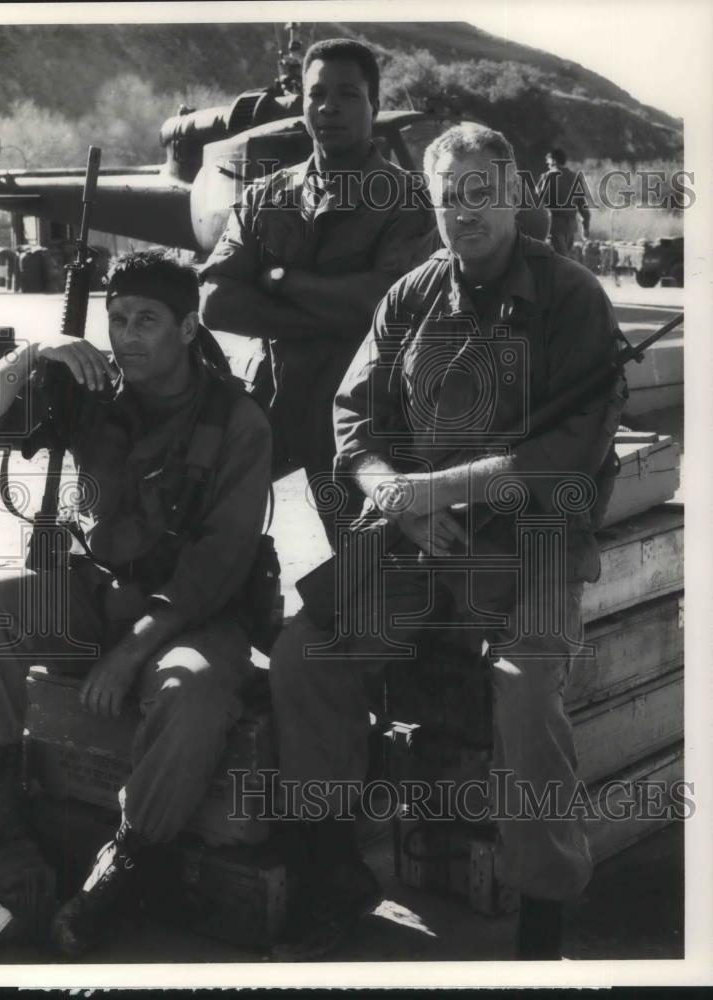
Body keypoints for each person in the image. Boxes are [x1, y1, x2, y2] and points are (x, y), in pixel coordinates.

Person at [269, 123, 627, 961]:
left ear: (510, 196)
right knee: (305, 646)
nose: (463, 213)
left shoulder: (572, 297)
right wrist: (392, 495)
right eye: (446, 199)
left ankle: (542, 909)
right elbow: (353, 421)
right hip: (417, 533)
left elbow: (569, 453)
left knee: (526, 682)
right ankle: (331, 865)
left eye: (478, 193)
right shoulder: (410, 296)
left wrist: (441, 489)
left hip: (530, 539)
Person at [0, 249, 271, 956]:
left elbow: (217, 564)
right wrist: (36, 352)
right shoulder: (90, 389)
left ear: (190, 326)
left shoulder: (237, 421)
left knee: (192, 691)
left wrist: (131, 651)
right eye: (116, 319)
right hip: (98, 588)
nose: (128, 335)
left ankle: (131, 855)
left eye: (147, 320)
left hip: (195, 612)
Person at [199, 37, 436, 544]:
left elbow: (386, 302)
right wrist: (330, 317)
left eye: (348, 94)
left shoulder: (408, 200)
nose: (329, 107)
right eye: (317, 93)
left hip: (367, 416)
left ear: (374, 104)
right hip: (274, 403)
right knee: (201, 523)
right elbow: (216, 300)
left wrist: (284, 281)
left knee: (368, 564)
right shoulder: (267, 195)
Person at [536, 147, 591, 257]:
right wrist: (586, 227)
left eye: (549, 160)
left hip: (554, 226)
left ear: (554, 161)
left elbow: (537, 203)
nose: (547, 163)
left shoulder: (547, 177)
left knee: (559, 261)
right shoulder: (575, 177)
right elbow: (583, 208)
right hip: (570, 227)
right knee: (565, 259)